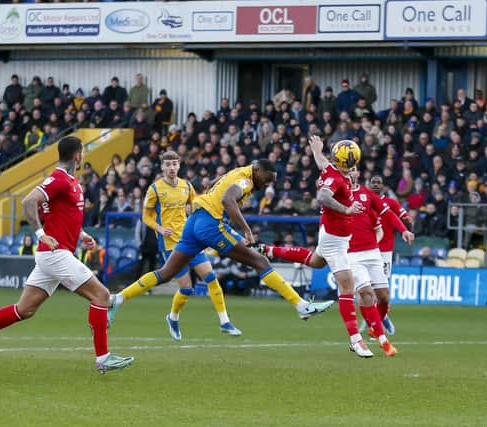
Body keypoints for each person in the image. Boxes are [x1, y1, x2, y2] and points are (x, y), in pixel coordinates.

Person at [0, 136, 134, 373]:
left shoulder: (70, 181)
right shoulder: (59, 178)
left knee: (24, 310)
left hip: (53, 254)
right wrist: (39, 234)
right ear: (77, 155)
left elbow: (62, 216)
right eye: (82, 152)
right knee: (101, 295)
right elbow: (28, 201)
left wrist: (82, 236)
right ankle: (103, 358)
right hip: (55, 253)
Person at [108, 159, 333, 328]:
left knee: (167, 272)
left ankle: (118, 298)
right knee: (260, 261)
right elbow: (227, 200)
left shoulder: (239, 171)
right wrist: (246, 230)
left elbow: (218, 183)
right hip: (210, 225)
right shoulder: (245, 180)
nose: (267, 184)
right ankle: (302, 306)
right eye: (267, 179)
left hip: (194, 220)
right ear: (258, 171)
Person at [259, 136, 379, 358]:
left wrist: (316, 150)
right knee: (347, 289)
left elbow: (324, 164)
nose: (354, 170)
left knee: (315, 261)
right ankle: (356, 340)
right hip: (335, 240)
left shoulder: (332, 168)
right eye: (352, 165)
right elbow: (323, 195)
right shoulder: (337, 178)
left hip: (332, 235)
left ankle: (270, 250)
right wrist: (347, 209)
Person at [142, 151, 242, 340]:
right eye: (168, 164)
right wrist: (160, 228)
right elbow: (145, 216)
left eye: (174, 164)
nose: (171, 168)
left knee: (211, 277)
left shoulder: (186, 186)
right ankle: (173, 317)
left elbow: (196, 204)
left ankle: (225, 321)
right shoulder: (154, 189)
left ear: (179, 166)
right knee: (186, 289)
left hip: (190, 239)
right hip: (170, 244)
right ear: (162, 167)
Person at [344, 166, 412, 356]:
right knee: (366, 293)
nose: (351, 172)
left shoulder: (367, 195)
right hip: (352, 254)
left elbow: (387, 214)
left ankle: (374, 327)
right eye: (347, 169)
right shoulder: (337, 194)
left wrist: (404, 230)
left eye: (354, 169)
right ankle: (383, 340)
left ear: (359, 174)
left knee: (383, 297)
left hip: (374, 252)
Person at [367, 174, 412, 335]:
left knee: (382, 288)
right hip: (366, 249)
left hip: (385, 252)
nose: (375, 185)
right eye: (373, 182)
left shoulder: (391, 203)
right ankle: (375, 319)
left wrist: (406, 222)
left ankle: (381, 318)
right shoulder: (365, 201)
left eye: (378, 182)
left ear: (384, 186)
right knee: (367, 287)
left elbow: (401, 215)